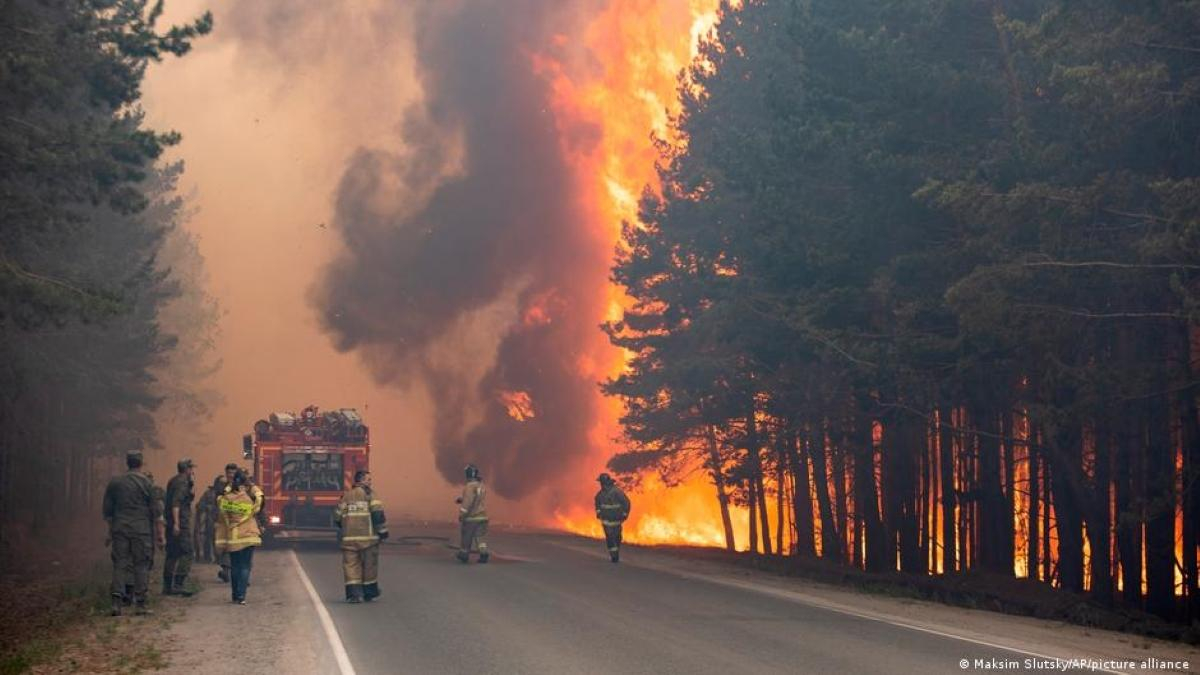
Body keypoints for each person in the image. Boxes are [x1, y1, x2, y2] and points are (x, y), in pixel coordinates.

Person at [102, 451, 164, 616]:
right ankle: (140, 604)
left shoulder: (115, 483)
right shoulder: (147, 483)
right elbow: (157, 512)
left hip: (120, 528)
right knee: (141, 565)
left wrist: (110, 531)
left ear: (127, 462)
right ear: (141, 463)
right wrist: (160, 535)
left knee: (120, 564)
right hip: (141, 530)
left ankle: (116, 603)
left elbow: (108, 512)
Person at [333, 470, 388, 603]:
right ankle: (369, 593)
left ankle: (354, 595)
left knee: (351, 566)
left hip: (349, 540)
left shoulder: (346, 496)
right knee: (369, 566)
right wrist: (383, 532)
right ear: (361, 480)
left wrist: (345, 528)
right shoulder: (370, 495)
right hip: (368, 540)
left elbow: (337, 517)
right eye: (368, 479)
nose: (370, 482)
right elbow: (378, 516)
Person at [214, 470, 262, 604]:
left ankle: (235, 595)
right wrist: (252, 485)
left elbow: (219, 503)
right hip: (249, 536)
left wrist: (228, 487)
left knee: (235, 566)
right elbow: (260, 500)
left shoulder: (226, 500)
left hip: (234, 537)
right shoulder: (249, 499)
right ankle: (242, 596)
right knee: (245, 566)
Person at [163, 458, 197, 596]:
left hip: (171, 522)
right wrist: (177, 524)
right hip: (180, 523)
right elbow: (176, 503)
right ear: (187, 469)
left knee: (172, 553)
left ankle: (167, 586)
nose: (192, 471)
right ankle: (178, 584)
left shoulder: (174, 480)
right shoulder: (182, 483)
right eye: (191, 468)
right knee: (187, 552)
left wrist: (192, 484)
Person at [455, 464, 489, 564]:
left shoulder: (469, 486)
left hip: (472, 518)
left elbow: (468, 502)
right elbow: (476, 499)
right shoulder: (481, 485)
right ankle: (484, 554)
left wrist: (462, 514)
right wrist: (462, 499)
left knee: (466, 537)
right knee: (480, 537)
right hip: (482, 517)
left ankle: (464, 555)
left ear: (468, 474)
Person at [594, 473, 631, 563]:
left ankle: (615, 550)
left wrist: (624, 514)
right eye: (601, 483)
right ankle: (614, 556)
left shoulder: (617, 492)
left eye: (602, 482)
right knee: (610, 537)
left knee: (617, 537)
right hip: (606, 520)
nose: (602, 484)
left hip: (616, 519)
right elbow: (597, 503)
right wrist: (598, 513)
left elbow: (626, 502)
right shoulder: (600, 494)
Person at [216, 463, 237, 582]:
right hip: (223, 521)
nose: (231, 475)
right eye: (229, 473)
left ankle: (236, 573)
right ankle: (226, 571)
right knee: (224, 547)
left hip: (237, 521)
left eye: (233, 473)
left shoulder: (241, 486)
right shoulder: (221, 487)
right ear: (226, 473)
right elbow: (216, 502)